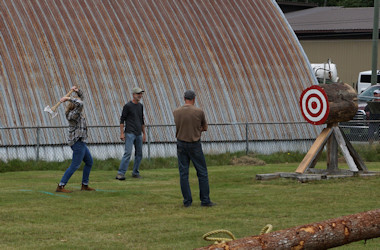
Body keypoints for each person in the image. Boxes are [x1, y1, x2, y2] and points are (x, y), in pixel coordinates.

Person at [173, 90, 215, 207]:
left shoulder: (176, 112)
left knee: (184, 174)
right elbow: (204, 127)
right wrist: (197, 130)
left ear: (184, 98)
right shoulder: (199, 111)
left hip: (181, 144)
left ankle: (187, 201)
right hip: (194, 144)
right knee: (202, 172)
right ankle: (205, 200)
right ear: (194, 99)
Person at [56, 86, 95, 193]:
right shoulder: (72, 115)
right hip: (77, 142)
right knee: (75, 165)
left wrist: (78, 91)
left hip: (81, 141)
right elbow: (81, 104)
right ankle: (61, 186)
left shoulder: (77, 111)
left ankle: (85, 185)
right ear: (74, 105)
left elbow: (81, 100)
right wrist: (68, 98)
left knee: (89, 162)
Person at [115, 87, 146, 180]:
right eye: (138, 94)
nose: (140, 95)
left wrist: (144, 133)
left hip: (138, 134)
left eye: (141, 94)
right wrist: (121, 133)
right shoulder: (127, 106)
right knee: (128, 153)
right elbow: (122, 120)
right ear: (133, 95)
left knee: (139, 154)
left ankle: (135, 172)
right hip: (129, 133)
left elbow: (142, 120)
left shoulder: (140, 106)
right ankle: (120, 173)